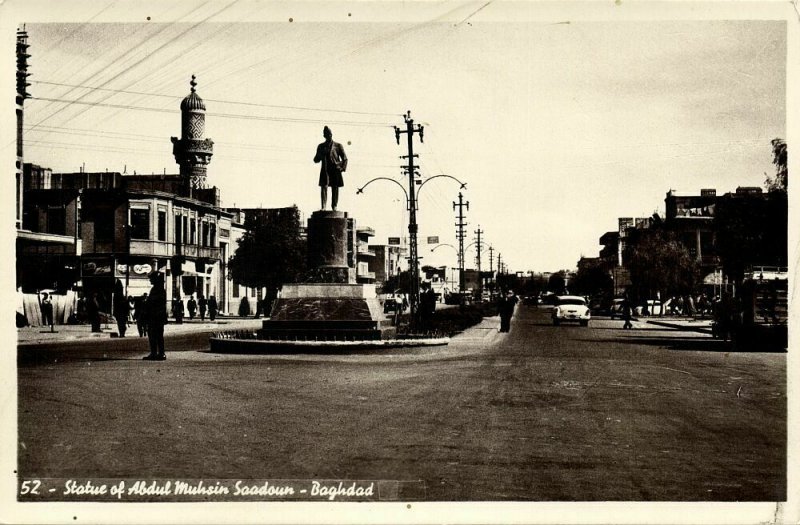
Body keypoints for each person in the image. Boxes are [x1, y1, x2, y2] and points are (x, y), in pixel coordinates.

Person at [313, 125, 348, 211]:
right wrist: (322, 154)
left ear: (331, 135)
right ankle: (323, 206)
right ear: (324, 136)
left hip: (335, 170)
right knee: (324, 187)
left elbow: (345, 159)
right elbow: (315, 160)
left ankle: (334, 206)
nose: (328, 136)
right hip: (325, 169)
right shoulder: (321, 146)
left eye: (329, 134)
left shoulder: (338, 145)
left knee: (335, 188)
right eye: (326, 134)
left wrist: (342, 167)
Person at [143, 272, 168, 361]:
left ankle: (159, 353)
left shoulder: (159, 290)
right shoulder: (156, 289)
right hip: (155, 316)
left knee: (156, 335)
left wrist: (147, 302)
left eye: (152, 278)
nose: (150, 280)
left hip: (156, 316)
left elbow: (156, 303)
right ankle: (156, 353)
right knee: (154, 335)